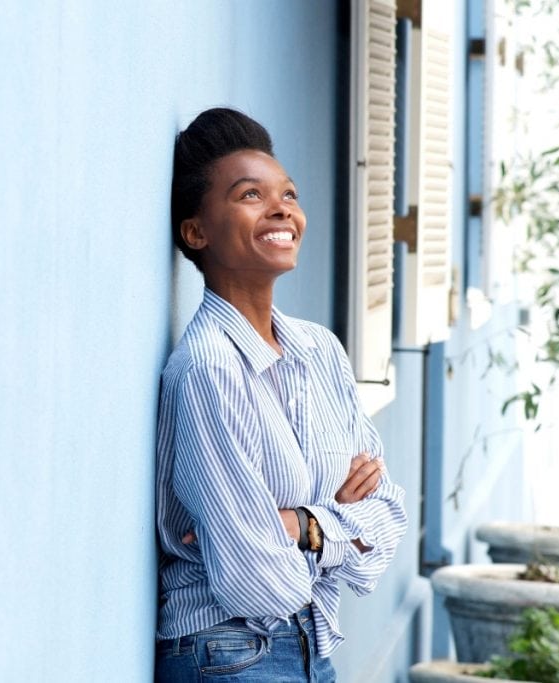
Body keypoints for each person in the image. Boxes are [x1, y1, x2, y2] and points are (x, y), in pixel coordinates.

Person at [155, 108, 408, 682]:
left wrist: (300, 526)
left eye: (288, 193)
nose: (282, 208)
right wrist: (334, 524)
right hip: (227, 654)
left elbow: (388, 515)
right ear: (196, 232)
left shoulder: (320, 351)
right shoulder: (207, 371)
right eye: (251, 195)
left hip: (310, 646)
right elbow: (256, 577)